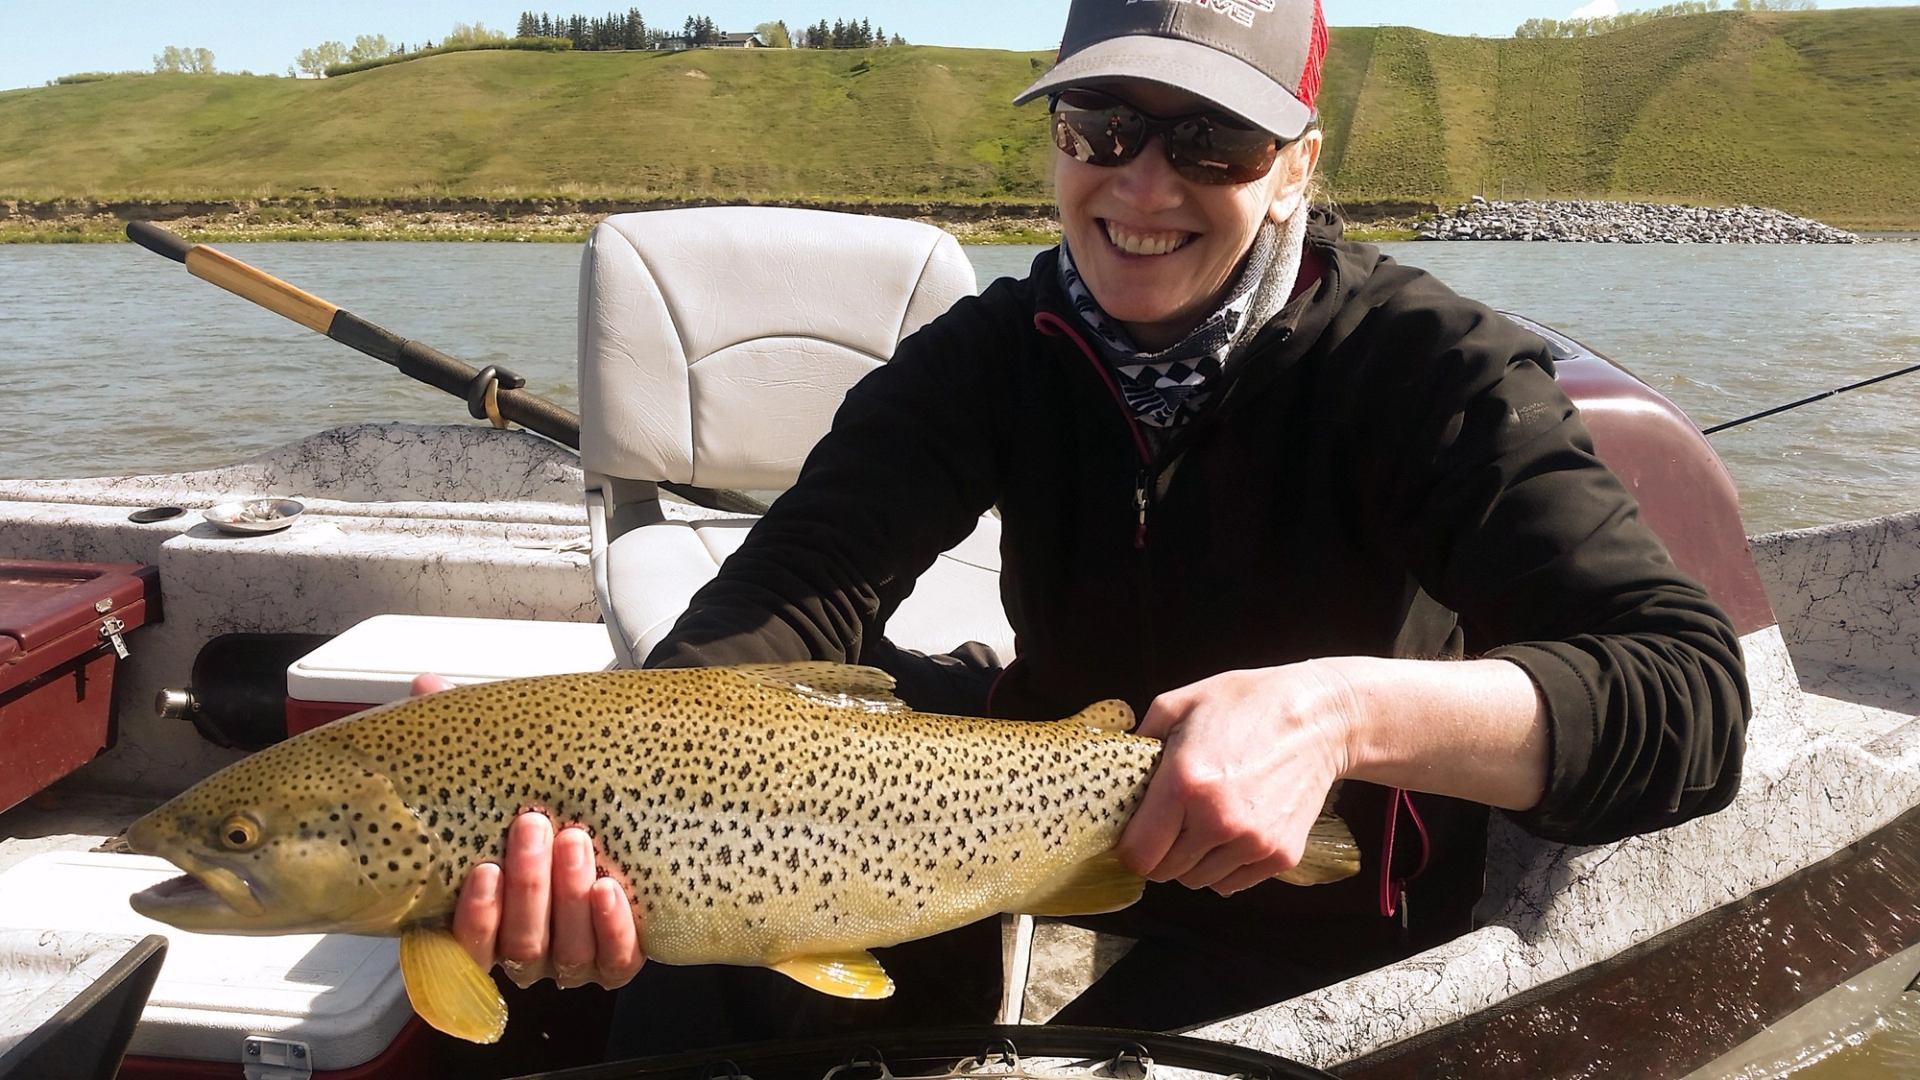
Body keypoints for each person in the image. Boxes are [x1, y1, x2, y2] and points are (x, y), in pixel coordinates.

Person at [438, 0, 1751, 1051]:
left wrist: (1341, 717)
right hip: (1023, 844)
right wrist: (582, 795)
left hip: (1315, 911)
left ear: (1297, 167)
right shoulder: (992, 355)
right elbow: (782, 604)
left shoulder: (1428, 368)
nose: (1142, 185)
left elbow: (1688, 697)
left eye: (1212, 144)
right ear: (1057, 135)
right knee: (677, 987)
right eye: (1103, 125)